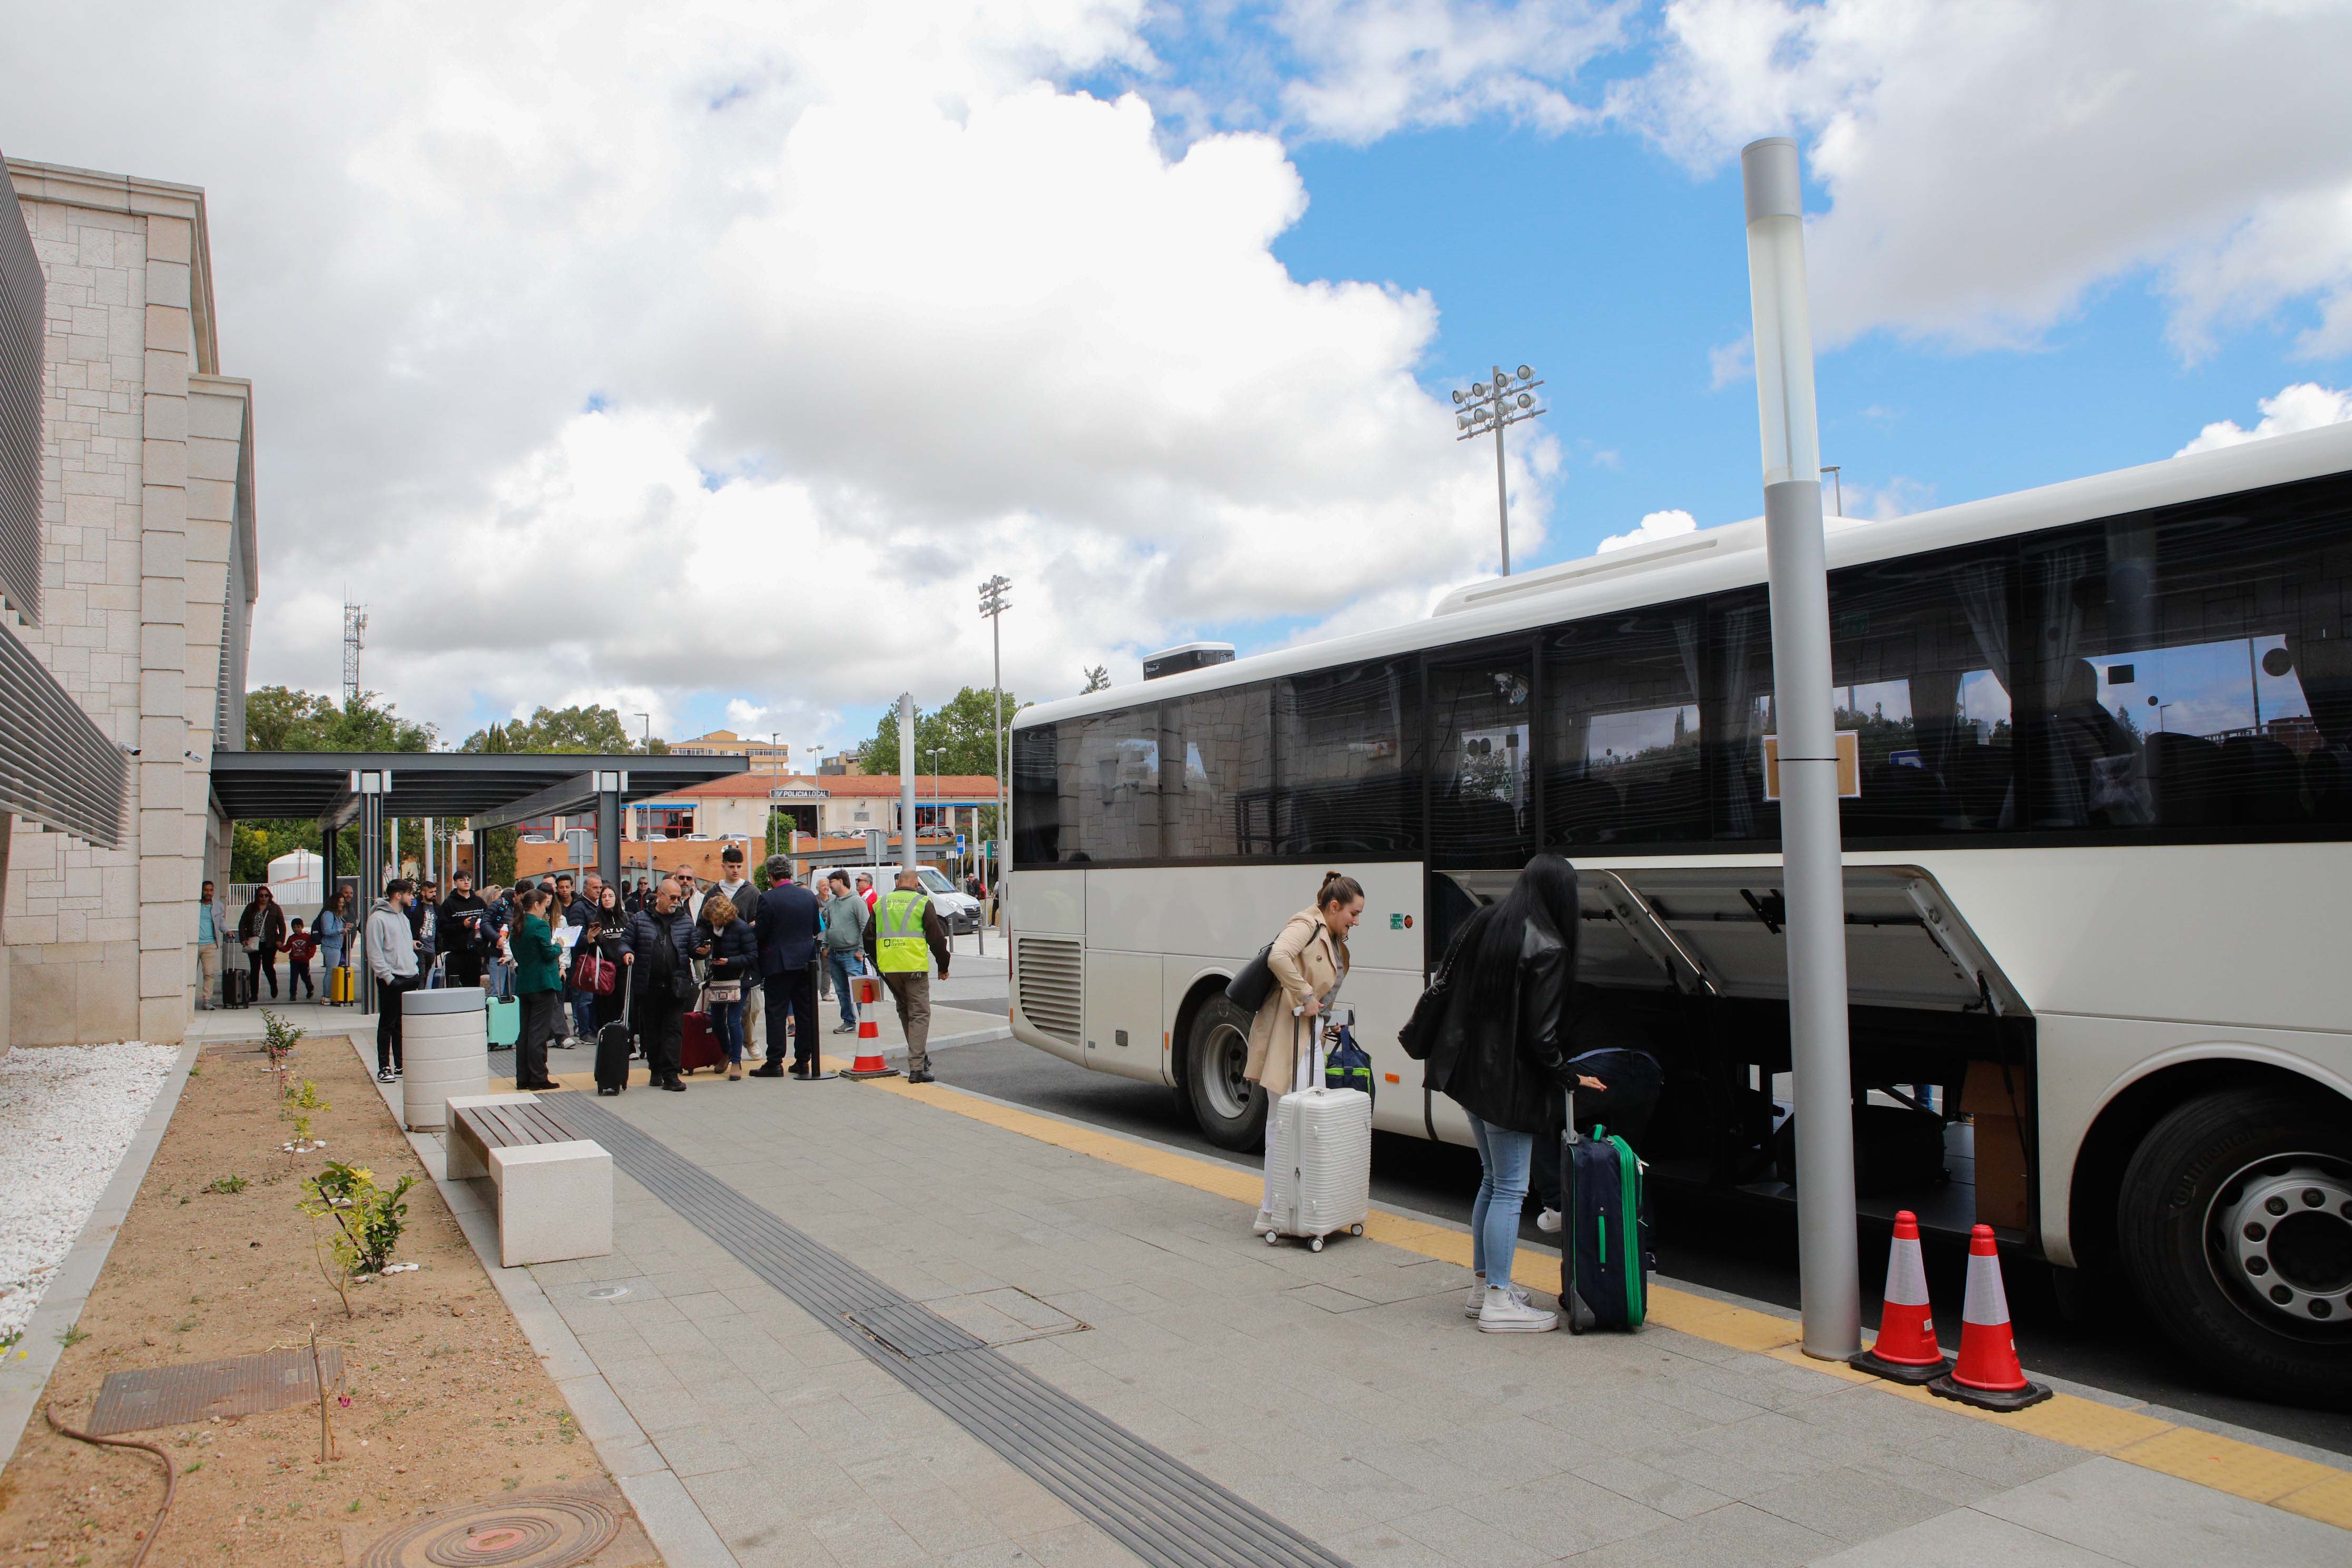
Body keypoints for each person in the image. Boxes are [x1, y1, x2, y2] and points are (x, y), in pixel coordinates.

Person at [1414, 855, 1599, 1334]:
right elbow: (1541, 1038)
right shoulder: (1549, 945)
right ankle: (1498, 1300)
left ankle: (1483, 1290)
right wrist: (1568, 1076)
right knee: (1512, 1188)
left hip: (1470, 1077)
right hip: (1507, 1088)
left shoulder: (1486, 922)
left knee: (1492, 1181)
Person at [1241, 872, 1363, 1239]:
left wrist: (1327, 1020)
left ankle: (1303, 1205)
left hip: (1308, 1036)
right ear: (1334, 906)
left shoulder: (1334, 937)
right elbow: (1279, 956)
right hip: (1285, 1032)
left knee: (1308, 1121)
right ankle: (1270, 1210)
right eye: (1353, 914)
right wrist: (1307, 996)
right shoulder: (1306, 923)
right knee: (1282, 1123)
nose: (1356, 922)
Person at [864, 866, 950, 1084]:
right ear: (916, 884)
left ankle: (918, 1056)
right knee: (920, 1014)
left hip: (890, 968)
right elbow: (937, 939)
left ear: (897, 882)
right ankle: (917, 1068)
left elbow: (868, 936)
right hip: (914, 967)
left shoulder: (881, 903)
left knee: (905, 1011)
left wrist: (879, 961)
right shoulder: (922, 903)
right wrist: (943, 966)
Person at [622, 877, 696, 1092]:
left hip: (677, 985)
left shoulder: (684, 921)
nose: (676, 902)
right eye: (672, 897)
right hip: (648, 985)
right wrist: (626, 952)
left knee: (674, 1029)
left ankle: (671, 1074)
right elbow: (625, 941)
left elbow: (692, 947)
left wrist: (702, 949)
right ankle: (655, 1069)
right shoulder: (639, 919)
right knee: (652, 1031)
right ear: (660, 896)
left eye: (679, 898)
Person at [752, 856, 822, 1077]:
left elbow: (761, 934)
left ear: (771, 876)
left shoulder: (767, 899)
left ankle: (775, 1062)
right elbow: (814, 927)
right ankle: (803, 1061)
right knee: (805, 1013)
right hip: (806, 963)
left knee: (776, 1012)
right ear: (790, 874)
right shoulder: (808, 896)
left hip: (778, 964)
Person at [701, 846, 761, 1044]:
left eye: (739, 866)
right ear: (723, 866)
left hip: (744, 959)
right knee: (722, 1016)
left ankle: (749, 1043)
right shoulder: (713, 891)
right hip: (720, 961)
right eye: (731, 866)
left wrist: (753, 928)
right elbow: (702, 924)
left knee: (750, 1010)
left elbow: (761, 921)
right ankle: (729, 1052)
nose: (735, 870)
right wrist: (701, 945)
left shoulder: (751, 891)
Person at [508, 887, 565, 1091]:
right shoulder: (540, 926)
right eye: (545, 906)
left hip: (525, 982)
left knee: (525, 1032)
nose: (545, 911)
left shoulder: (517, 926)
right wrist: (559, 946)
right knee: (538, 1034)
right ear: (537, 905)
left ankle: (523, 1077)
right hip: (543, 982)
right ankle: (538, 1077)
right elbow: (548, 953)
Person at [367, 879, 424, 1082]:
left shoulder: (404, 918)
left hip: (409, 975)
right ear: (398, 895)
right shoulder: (377, 919)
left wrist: (413, 957)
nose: (412, 898)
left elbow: (401, 943)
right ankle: (384, 1067)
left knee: (402, 1024)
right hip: (392, 979)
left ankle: (400, 1064)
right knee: (387, 1024)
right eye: (409, 894)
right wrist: (389, 978)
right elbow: (375, 952)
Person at [701, 893, 758, 1081]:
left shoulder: (741, 928)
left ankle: (736, 1061)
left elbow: (752, 957)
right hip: (718, 979)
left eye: (715, 919)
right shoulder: (713, 928)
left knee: (733, 1020)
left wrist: (730, 961)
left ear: (723, 916)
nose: (713, 923)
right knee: (716, 1020)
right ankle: (726, 1051)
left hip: (738, 979)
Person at [820, 870, 869, 1034]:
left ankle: (867, 1022)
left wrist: (861, 951)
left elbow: (865, 927)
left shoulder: (857, 902)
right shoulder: (832, 904)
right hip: (834, 953)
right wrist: (825, 947)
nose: (828, 886)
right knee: (841, 990)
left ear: (841, 881)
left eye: (831, 882)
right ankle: (849, 1021)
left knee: (858, 989)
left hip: (852, 954)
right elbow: (828, 926)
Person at [584, 882, 631, 1042]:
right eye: (604, 897)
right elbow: (593, 950)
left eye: (610, 896)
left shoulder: (625, 917)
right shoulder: (596, 920)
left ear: (617, 898)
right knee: (607, 1007)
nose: (607, 899)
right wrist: (590, 939)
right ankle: (609, 1042)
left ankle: (627, 1043)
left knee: (625, 1006)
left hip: (624, 967)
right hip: (605, 969)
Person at [438, 870, 489, 988]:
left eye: (468, 880)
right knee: (454, 989)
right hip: (456, 954)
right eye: (462, 880)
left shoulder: (479, 902)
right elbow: (442, 928)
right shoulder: (449, 904)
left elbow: (487, 922)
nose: (466, 882)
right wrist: (462, 925)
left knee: (473, 988)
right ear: (456, 883)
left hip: (475, 953)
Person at [238, 885, 288, 999]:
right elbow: (242, 924)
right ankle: (254, 994)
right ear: (257, 897)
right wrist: (244, 938)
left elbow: (282, 925)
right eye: (261, 896)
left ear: (270, 896)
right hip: (254, 942)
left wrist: (280, 940)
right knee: (255, 968)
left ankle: (273, 986)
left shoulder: (274, 908)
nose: (264, 898)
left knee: (268, 967)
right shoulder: (251, 908)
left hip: (270, 943)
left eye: (266, 895)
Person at [197, 878, 228, 1008]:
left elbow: (221, 922)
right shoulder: (195, 905)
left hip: (210, 944)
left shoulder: (218, 906)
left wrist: (227, 931)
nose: (208, 893)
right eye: (206, 890)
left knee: (209, 974)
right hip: (194, 944)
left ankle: (207, 1001)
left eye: (211, 890)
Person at [285, 918, 319, 1000]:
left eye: (298, 927)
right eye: (294, 928)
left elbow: (313, 947)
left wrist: (309, 956)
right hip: (294, 961)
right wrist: (280, 947)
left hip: (304, 961)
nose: (296, 929)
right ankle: (293, 994)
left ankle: (310, 989)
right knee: (293, 978)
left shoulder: (307, 937)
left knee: (305, 977)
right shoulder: (291, 938)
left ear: (302, 927)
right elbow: (287, 948)